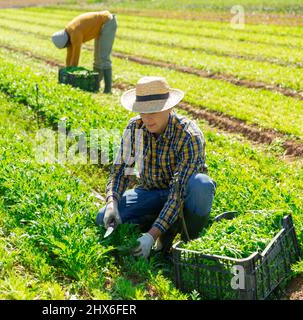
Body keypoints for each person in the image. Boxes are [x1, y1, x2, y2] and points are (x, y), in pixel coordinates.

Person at [96, 76, 217, 258]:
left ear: (169, 107)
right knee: (102, 217)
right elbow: (120, 171)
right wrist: (112, 202)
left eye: (153, 111)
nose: (147, 118)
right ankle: (162, 223)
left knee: (202, 185)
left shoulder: (189, 136)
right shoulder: (135, 127)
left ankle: (186, 239)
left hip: (183, 197)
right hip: (150, 192)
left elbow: (177, 193)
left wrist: (151, 237)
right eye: (142, 112)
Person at [51, 11, 117, 93]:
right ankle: (96, 85)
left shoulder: (75, 33)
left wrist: (71, 73)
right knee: (97, 58)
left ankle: (108, 89)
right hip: (101, 25)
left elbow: (75, 57)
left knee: (103, 57)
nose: (67, 47)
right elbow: (69, 54)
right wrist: (68, 68)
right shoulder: (68, 32)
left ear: (66, 42)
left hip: (107, 22)